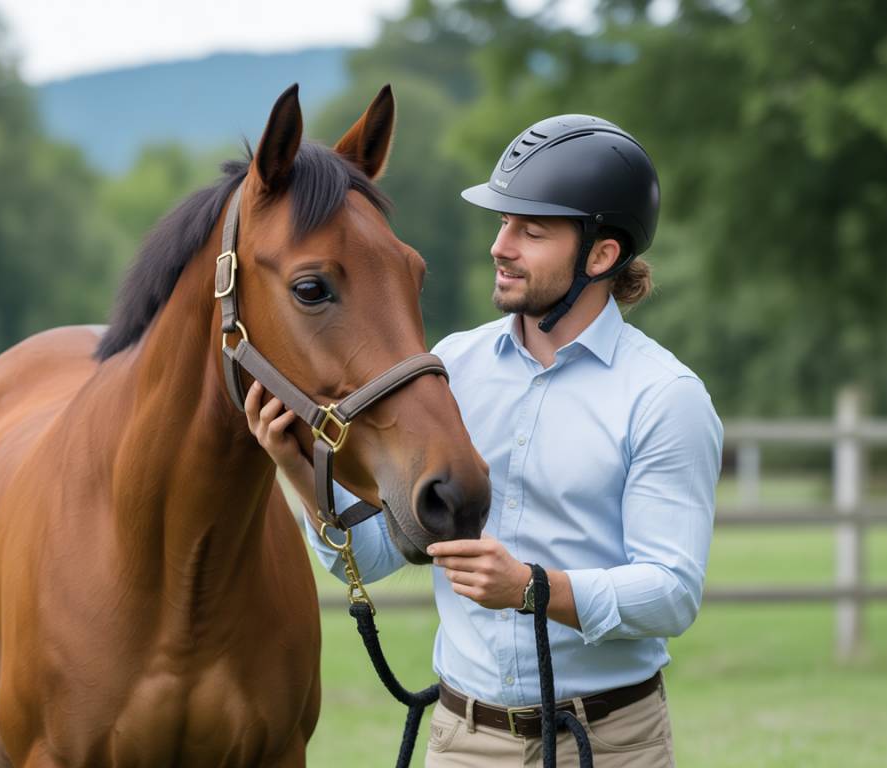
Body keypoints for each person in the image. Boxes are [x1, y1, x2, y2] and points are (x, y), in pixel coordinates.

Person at [246, 115, 723, 767]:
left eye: (532, 231)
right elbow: (378, 555)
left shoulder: (664, 395)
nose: (501, 246)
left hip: (609, 744)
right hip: (464, 741)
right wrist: (301, 473)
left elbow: (671, 593)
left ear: (601, 255)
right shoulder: (450, 368)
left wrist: (533, 587)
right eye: (503, 223)